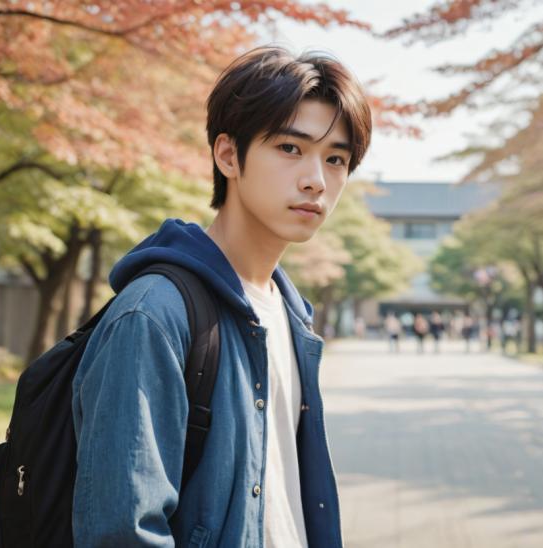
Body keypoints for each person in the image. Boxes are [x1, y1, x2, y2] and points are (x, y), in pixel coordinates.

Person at [71, 46, 372, 547]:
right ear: (228, 155)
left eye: (335, 159)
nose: (316, 181)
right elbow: (124, 531)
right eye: (290, 149)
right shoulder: (154, 314)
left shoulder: (290, 313)